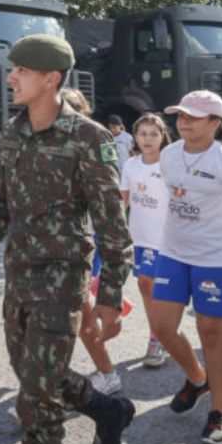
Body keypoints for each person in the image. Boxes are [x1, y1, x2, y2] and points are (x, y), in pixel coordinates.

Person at [0, 35, 135, 444]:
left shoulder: (88, 138)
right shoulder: (13, 135)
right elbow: (0, 208)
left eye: (21, 70)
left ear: (51, 79)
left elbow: (112, 222)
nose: (11, 77)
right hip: (18, 273)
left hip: (63, 278)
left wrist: (109, 297)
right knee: (36, 376)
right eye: (13, 69)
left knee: (36, 393)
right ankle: (107, 409)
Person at [151, 90, 222, 444]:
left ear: (215, 123)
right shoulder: (168, 154)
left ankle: (219, 411)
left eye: (194, 116)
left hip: (213, 258)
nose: (183, 121)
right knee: (163, 328)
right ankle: (198, 378)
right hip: (172, 252)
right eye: (180, 114)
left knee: (210, 331)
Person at [63, 89, 123, 395]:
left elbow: (110, 206)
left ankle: (107, 373)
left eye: (73, 110)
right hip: (50, 249)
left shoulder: (94, 143)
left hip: (82, 245)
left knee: (83, 315)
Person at [121, 113, 172, 369]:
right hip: (140, 238)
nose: (148, 139)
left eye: (154, 134)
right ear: (135, 136)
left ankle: (163, 337)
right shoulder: (130, 165)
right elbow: (123, 201)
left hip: (167, 240)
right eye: (143, 133)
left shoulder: (170, 164)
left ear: (163, 137)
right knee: (145, 285)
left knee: (161, 291)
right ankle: (157, 335)